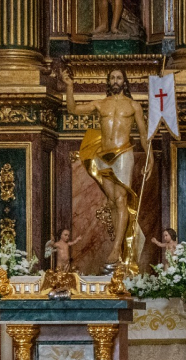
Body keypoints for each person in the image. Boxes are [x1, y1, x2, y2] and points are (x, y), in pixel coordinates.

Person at [60, 68, 152, 274]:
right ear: (108, 81)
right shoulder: (100, 104)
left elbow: (144, 135)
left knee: (120, 200)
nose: (116, 80)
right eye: (112, 77)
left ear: (125, 81)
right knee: (112, 201)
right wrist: (69, 86)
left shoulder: (133, 105)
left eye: (119, 77)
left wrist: (150, 158)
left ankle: (115, 248)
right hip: (103, 155)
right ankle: (121, 246)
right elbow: (73, 110)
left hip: (123, 153)